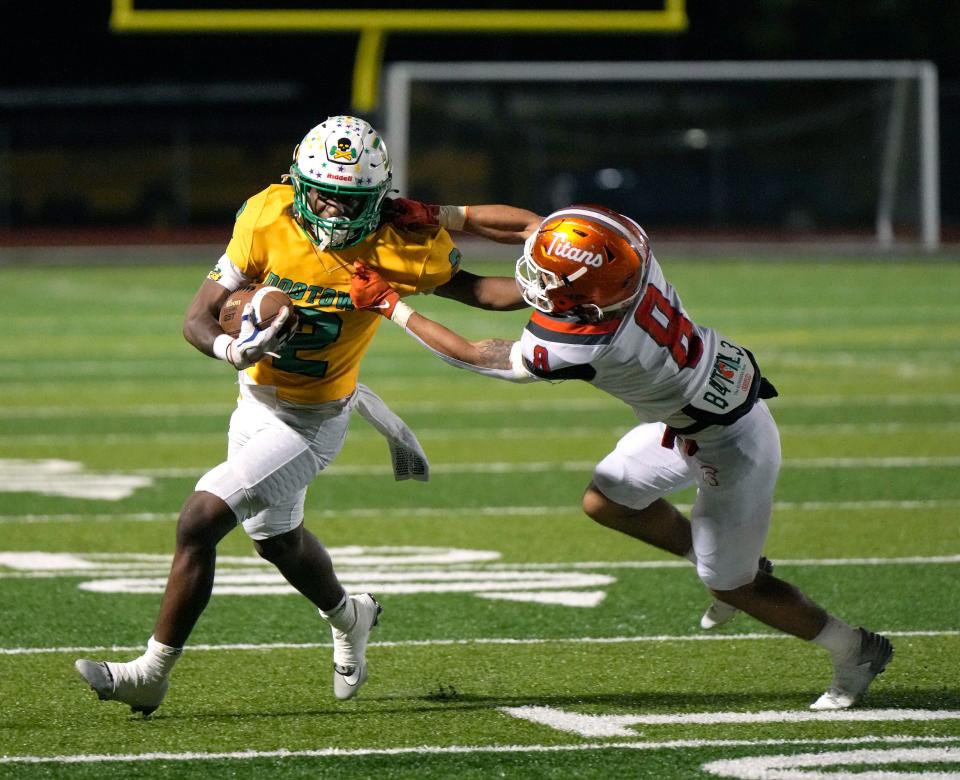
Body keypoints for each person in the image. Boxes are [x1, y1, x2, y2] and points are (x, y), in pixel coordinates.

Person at [74, 115, 537, 716]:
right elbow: (199, 316)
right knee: (279, 542)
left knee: (200, 519)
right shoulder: (268, 214)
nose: (338, 213)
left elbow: (480, 291)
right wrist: (230, 347)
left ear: (379, 196)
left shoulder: (400, 241)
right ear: (297, 182)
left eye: (353, 200)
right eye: (325, 195)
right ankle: (351, 616)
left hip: (312, 422)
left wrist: (561, 280)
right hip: (253, 401)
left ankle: (150, 673)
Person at [349, 202, 894, 711]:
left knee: (732, 584)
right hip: (691, 409)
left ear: (588, 296)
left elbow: (475, 352)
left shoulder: (582, 340)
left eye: (550, 281)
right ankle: (719, 559)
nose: (533, 281)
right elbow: (532, 227)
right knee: (606, 501)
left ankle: (854, 649)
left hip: (729, 442)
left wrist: (390, 305)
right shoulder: (622, 253)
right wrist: (443, 213)